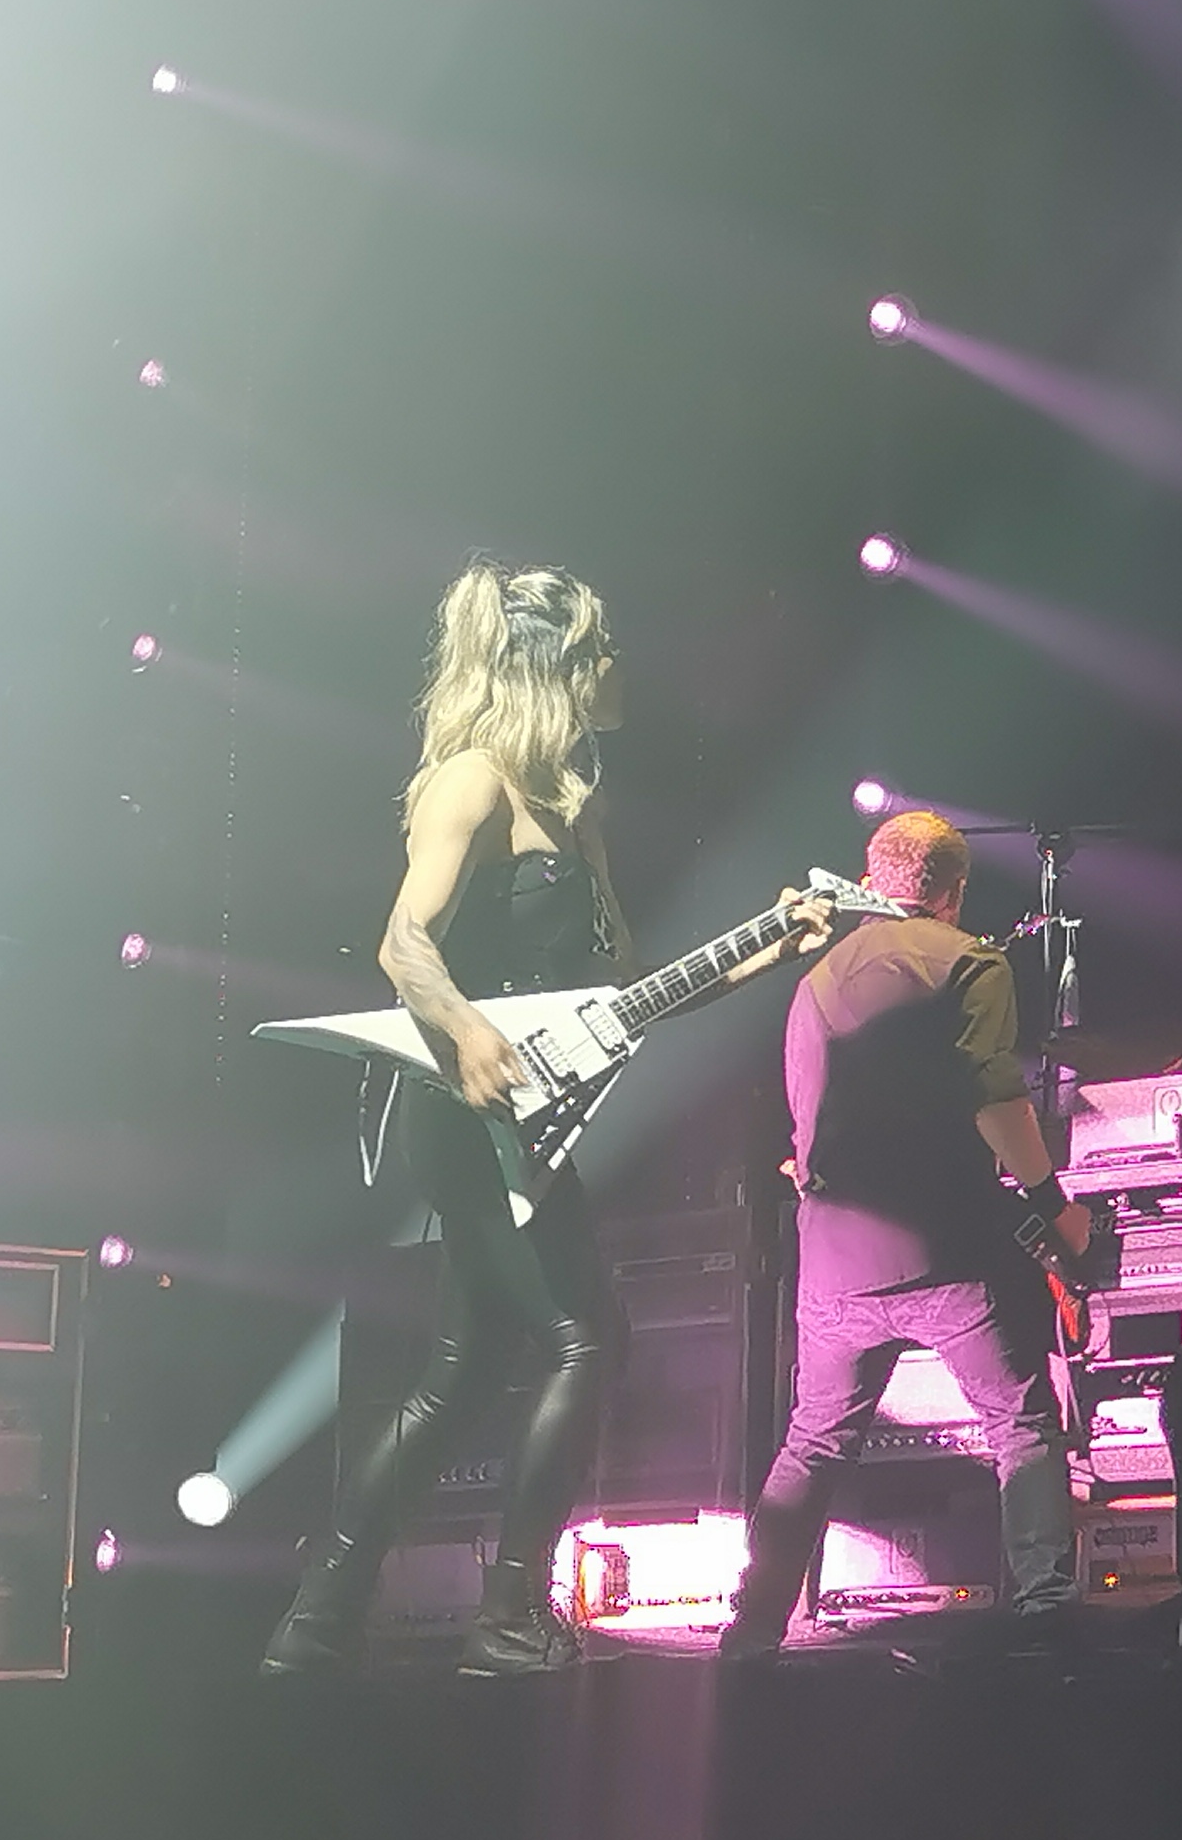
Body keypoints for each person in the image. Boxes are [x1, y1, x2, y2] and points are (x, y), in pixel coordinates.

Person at [262, 562, 826, 1676]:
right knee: (584, 1336)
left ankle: (318, 1623)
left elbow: (623, 996)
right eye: (603, 648)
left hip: (525, 1122)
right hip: (461, 1112)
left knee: (463, 1371)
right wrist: (466, 1032)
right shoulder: (469, 782)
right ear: (557, 666)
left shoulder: (576, 808)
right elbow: (402, 943)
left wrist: (768, 950)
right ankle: (507, 1617)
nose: (620, 666)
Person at [717, 809, 1093, 1656]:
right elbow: (996, 1101)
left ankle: (755, 1622)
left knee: (814, 1441)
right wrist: (1055, 1206)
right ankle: (1045, 1609)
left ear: (870, 879)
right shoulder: (972, 962)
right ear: (953, 892)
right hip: (947, 1253)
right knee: (1021, 1424)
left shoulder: (816, 980)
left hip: (836, 1263)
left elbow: (806, 1124)